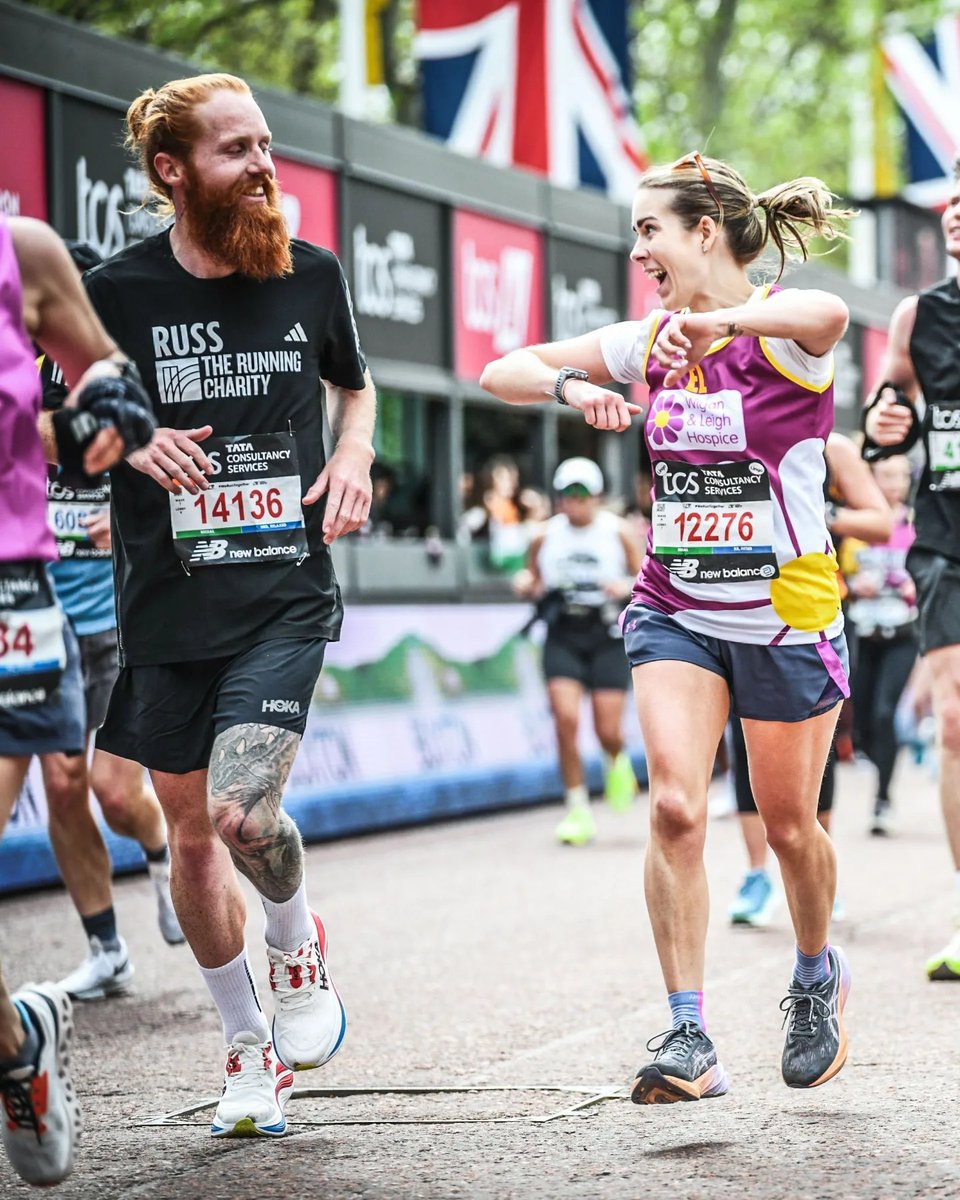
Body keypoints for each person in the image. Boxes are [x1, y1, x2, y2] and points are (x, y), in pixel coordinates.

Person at [481, 152, 855, 1104]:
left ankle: (817, 974)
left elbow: (829, 315)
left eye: (650, 227)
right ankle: (690, 1032)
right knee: (678, 807)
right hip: (675, 608)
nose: (637, 246)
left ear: (704, 231)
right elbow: (500, 368)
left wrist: (719, 321)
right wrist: (578, 390)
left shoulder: (778, 333)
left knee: (788, 829)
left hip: (783, 617)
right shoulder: (644, 342)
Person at [83, 73, 376, 1139]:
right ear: (173, 171)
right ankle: (248, 1050)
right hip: (165, 605)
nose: (264, 169)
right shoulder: (114, 292)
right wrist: (120, 436)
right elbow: (62, 420)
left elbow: (358, 382)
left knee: (239, 813)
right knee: (190, 845)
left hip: (282, 595)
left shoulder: (311, 273)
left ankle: (295, 944)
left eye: (266, 146)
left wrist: (353, 446)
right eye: (235, 152)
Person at [0, 214, 155, 1186]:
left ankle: (171, 872)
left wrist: (110, 412)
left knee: (91, 781)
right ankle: (19, 1040)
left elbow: (107, 374)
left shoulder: (22, 252)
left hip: (18, 594)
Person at [31, 242, 184, 1008]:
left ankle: (160, 859)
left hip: (119, 611)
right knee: (61, 782)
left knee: (113, 791)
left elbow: (163, 455)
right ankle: (105, 949)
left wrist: (119, 518)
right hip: (40, 609)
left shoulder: (125, 365)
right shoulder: (16, 371)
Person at [728, 431, 893, 926]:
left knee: (814, 756)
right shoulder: (724, 427)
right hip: (737, 609)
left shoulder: (831, 446)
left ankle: (815, 873)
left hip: (813, 617)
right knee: (744, 746)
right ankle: (756, 875)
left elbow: (881, 521)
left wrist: (815, 514)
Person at [862, 155, 960, 980]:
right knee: (956, 721)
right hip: (946, 538)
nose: (954, 212)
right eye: (951, 198)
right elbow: (880, 419)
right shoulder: (918, 316)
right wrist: (885, 422)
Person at [514, 457, 642, 845]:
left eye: (582, 496)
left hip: (606, 634)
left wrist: (623, 586)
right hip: (564, 632)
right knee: (565, 719)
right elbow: (531, 577)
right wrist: (525, 583)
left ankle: (616, 759)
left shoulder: (617, 532)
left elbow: (644, 577)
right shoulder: (543, 536)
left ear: (597, 497)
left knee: (607, 728)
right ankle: (577, 807)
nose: (574, 503)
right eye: (567, 496)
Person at [843, 455, 917, 836]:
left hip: (902, 635)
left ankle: (882, 800)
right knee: (864, 721)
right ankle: (874, 755)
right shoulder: (855, 523)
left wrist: (912, 587)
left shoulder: (916, 525)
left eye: (900, 476)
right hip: (861, 631)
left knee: (886, 713)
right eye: (886, 475)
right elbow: (835, 574)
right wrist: (855, 588)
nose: (894, 483)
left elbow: (931, 572)